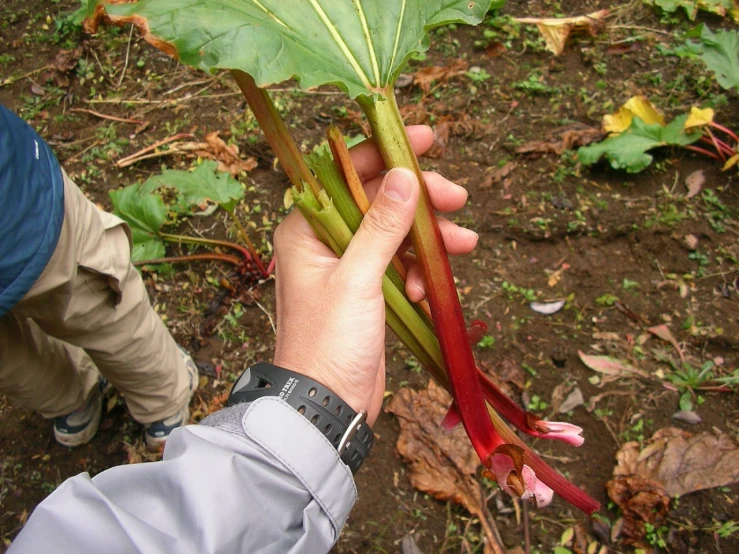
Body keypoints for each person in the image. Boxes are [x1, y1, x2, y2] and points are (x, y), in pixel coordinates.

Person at [7, 124, 478, 553]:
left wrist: (318, 409)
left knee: (88, 321)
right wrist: (313, 413)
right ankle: (102, 401)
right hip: (25, 220)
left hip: (22, 221)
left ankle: (134, 403)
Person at [0, 103, 198, 449]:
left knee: (8, 356)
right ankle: (164, 401)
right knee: (104, 308)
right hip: (21, 228)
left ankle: (70, 405)